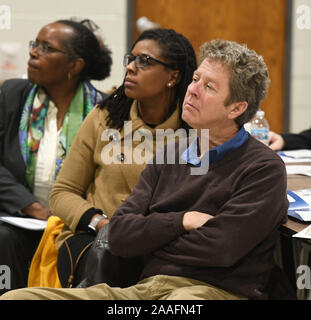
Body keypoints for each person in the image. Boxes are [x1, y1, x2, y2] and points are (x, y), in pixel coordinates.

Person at [1, 39, 289, 300]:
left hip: (210, 292)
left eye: (209, 86)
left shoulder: (262, 168)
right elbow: (119, 235)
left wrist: (147, 240)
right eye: (196, 79)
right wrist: (182, 221)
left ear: (236, 109)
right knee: (15, 298)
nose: (192, 90)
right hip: (144, 289)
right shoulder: (172, 152)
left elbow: (221, 248)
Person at [26, 28, 197, 289]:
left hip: (162, 244)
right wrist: (100, 222)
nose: (130, 68)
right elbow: (63, 192)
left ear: (173, 77)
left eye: (145, 62)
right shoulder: (105, 117)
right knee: (111, 257)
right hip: (97, 240)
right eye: (131, 58)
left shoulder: (194, 130)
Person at [0, 18, 112, 294]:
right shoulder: (12, 95)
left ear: (74, 66)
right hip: (18, 217)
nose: (34, 52)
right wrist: (32, 206)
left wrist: (71, 212)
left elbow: (105, 178)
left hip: (73, 222)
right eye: (34, 45)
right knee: (3, 238)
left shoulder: (103, 112)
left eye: (46, 48)